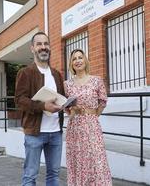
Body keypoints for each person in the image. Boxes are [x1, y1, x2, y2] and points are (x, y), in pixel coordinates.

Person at [15, 31, 64, 186]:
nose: (43, 47)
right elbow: (20, 100)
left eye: (46, 44)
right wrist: (43, 106)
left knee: (54, 175)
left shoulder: (56, 74)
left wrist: (65, 104)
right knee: (30, 175)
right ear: (32, 48)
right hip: (35, 133)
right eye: (39, 44)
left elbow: (60, 97)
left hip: (55, 132)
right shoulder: (25, 72)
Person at [64, 49, 112, 186]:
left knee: (96, 159)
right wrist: (74, 112)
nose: (78, 61)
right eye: (74, 59)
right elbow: (66, 107)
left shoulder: (96, 81)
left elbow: (102, 102)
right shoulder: (67, 84)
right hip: (75, 127)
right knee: (78, 159)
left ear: (85, 60)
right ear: (71, 64)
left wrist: (92, 115)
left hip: (92, 125)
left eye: (80, 57)